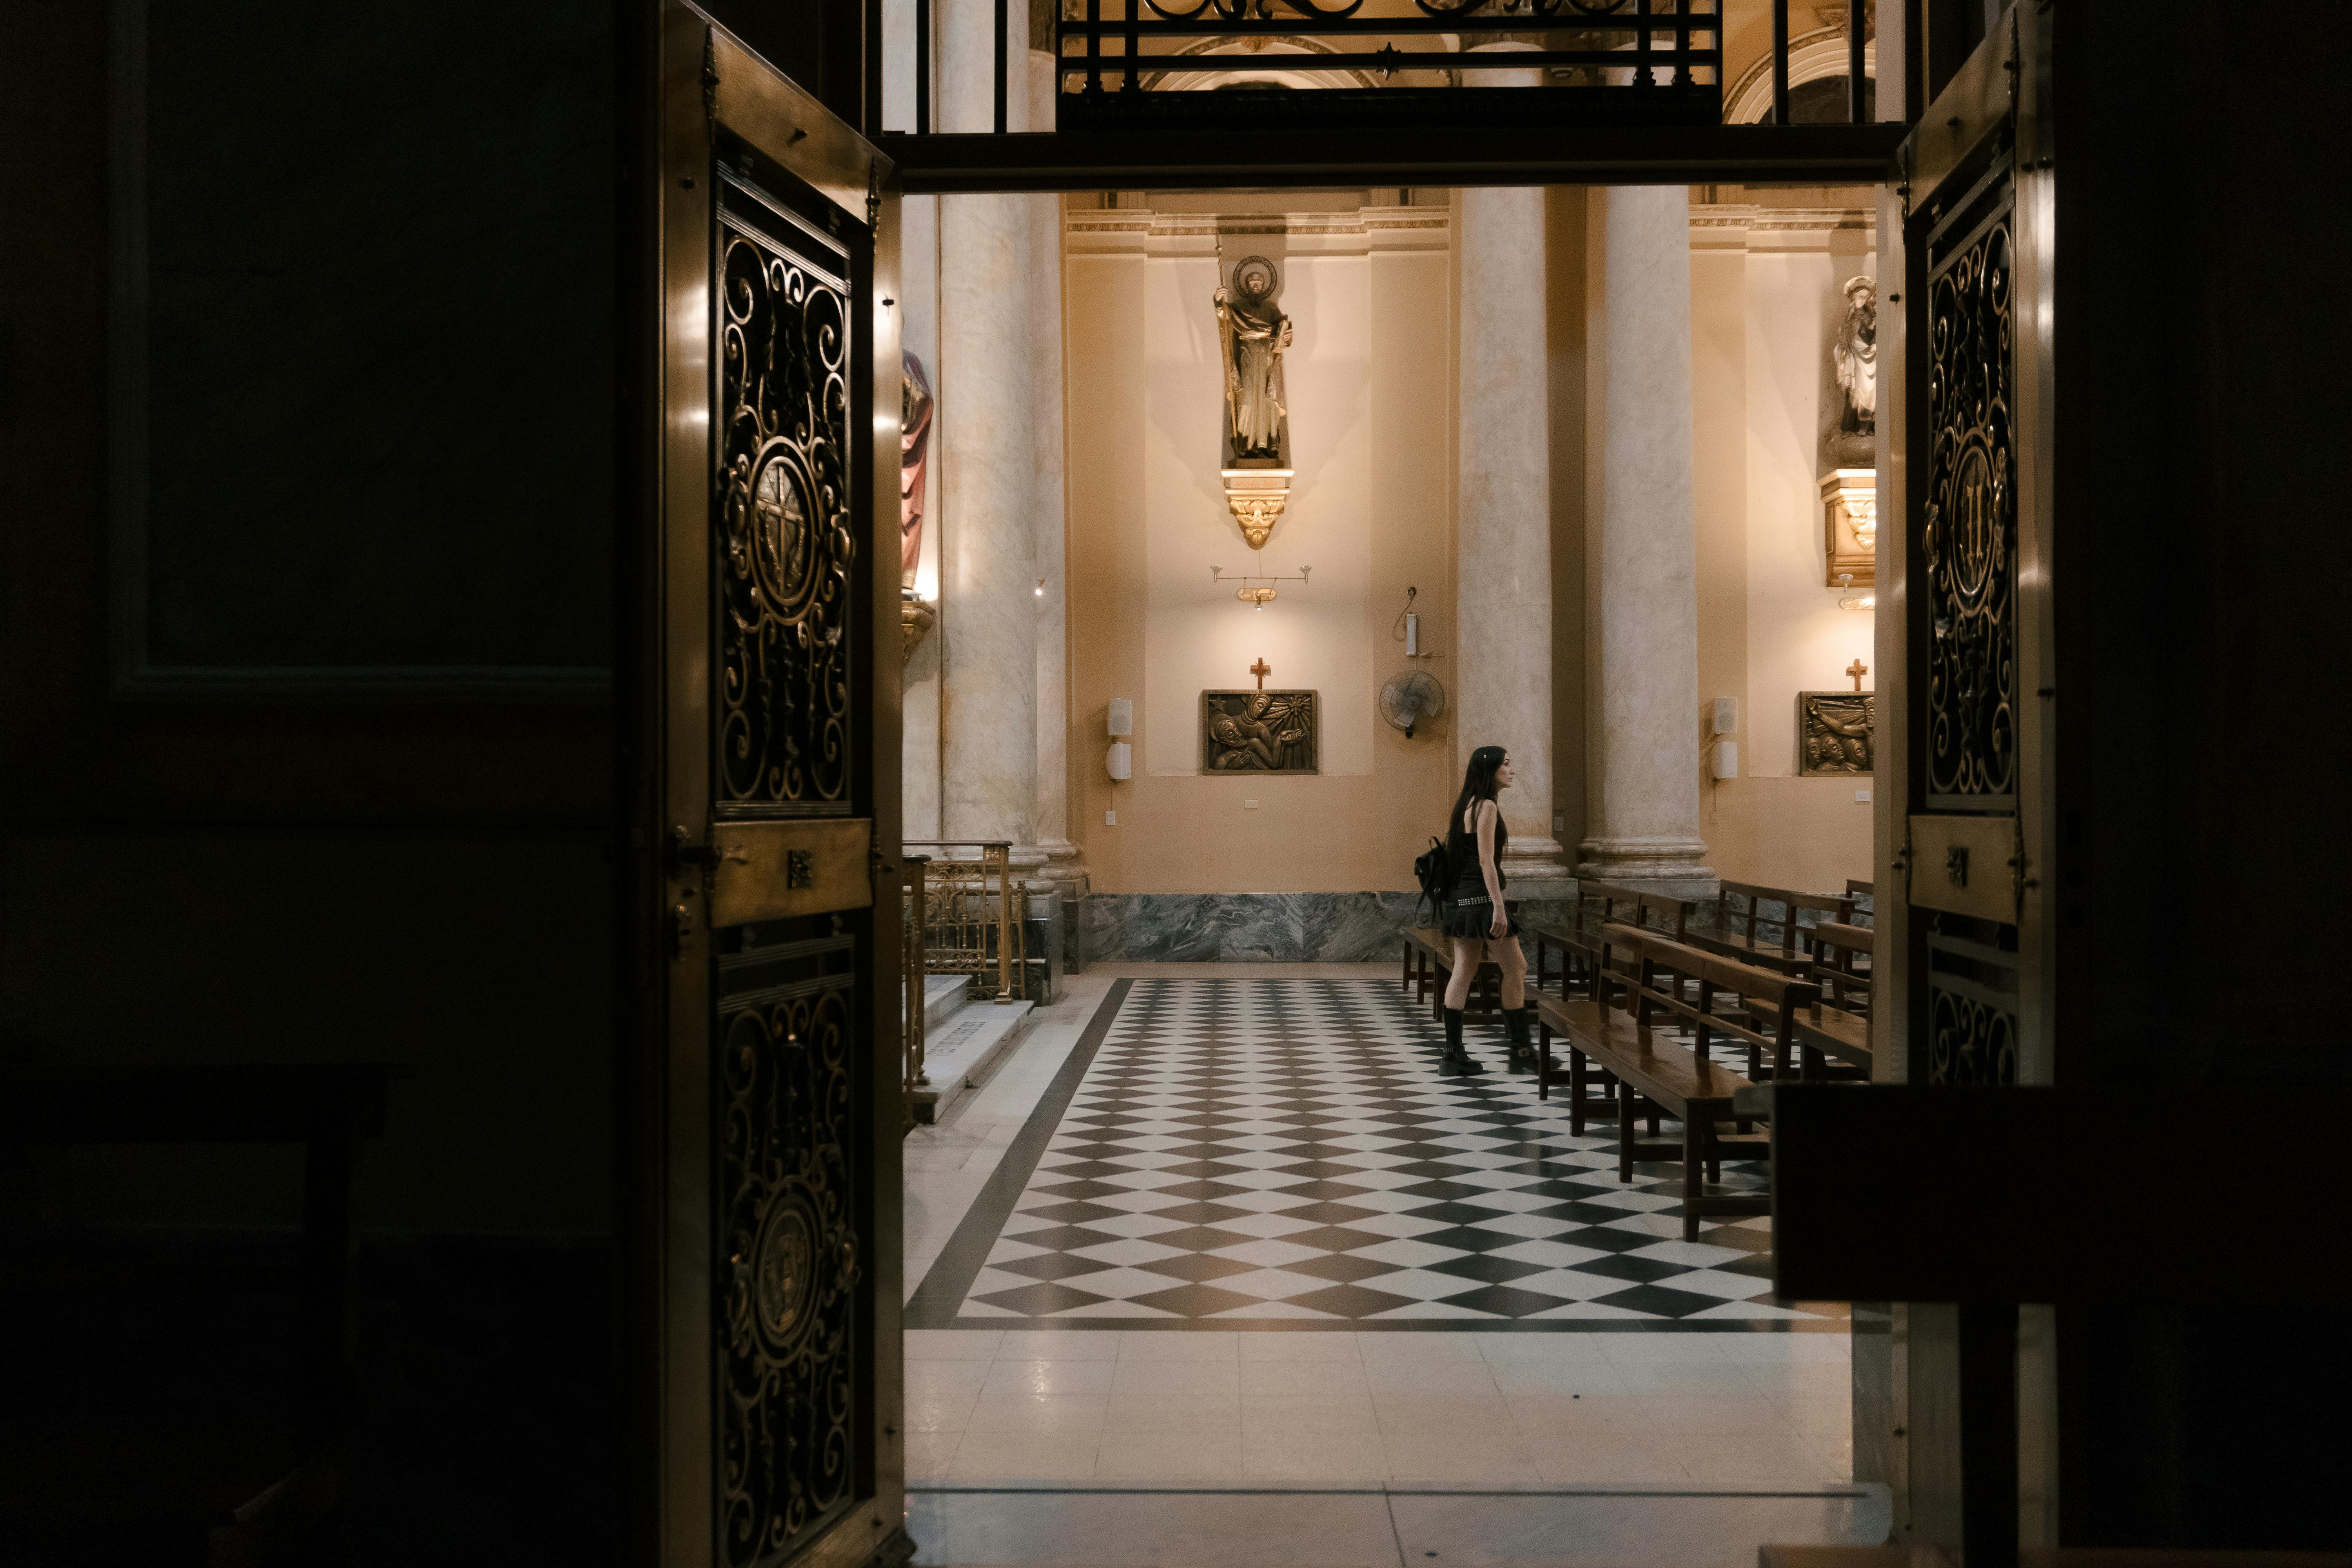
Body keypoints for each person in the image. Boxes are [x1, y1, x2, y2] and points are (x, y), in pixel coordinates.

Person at [1439, 746, 1536, 1076]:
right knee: (1517, 967)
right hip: (1480, 899)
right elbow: (1485, 860)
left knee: (1464, 970)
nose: (1512, 771)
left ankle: (1452, 1055)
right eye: (1507, 764)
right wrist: (1498, 905)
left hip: (1462, 898)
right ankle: (1521, 1050)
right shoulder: (1488, 806)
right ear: (1491, 769)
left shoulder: (1466, 805)